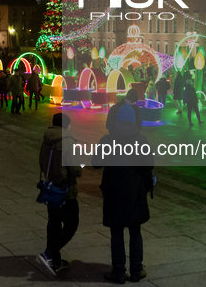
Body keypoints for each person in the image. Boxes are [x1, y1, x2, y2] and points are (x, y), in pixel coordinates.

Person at [93, 104, 153, 284]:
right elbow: (149, 165)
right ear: (134, 121)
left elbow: (96, 162)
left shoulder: (107, 140)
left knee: (116, 233)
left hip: (113, 192)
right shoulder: (141, 140)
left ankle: (118, 271)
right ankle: (136, 270)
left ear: (117, 120)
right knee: (135, 232)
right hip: (134, 193)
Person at [37, 114, 82, 275]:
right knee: (72, 224)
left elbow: (42, 162)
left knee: (54, 223)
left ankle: (54, 261)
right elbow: (75, 170)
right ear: (67, 126)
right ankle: (49, 253)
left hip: (50, 189)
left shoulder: (48, 139)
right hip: (65, 191)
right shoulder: (67, 142)